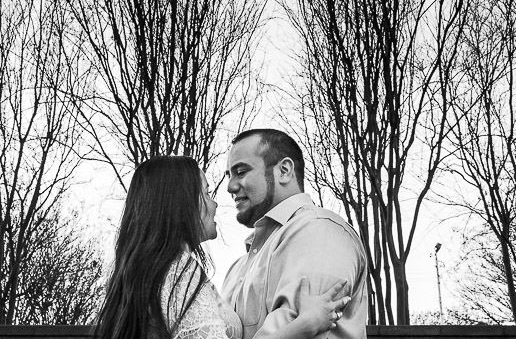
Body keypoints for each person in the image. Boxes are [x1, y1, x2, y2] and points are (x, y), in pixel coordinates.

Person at [96, 155, 351, 339]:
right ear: (180, 202)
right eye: (206, 193)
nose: (215, 203)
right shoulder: (177, 271)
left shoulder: (152, 270)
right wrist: (306, 325)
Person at [221, 129, 368, 339]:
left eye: (241, 172)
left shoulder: (317, 231)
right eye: (229, 175)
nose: (230, 186)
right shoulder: (237, 269)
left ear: (284, 171)